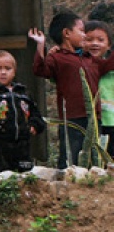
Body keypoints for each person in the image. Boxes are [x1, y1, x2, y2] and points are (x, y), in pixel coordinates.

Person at [30, 9, 114, 168]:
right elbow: (40, 70)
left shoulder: (89, 59)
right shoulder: (57, 58)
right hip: (72, 119)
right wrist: (41, 45)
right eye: (82, 31)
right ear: (67, 33)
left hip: (94, 119)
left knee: (94, 158)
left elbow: (109, 63)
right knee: (71, 157)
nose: (85, 35)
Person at [0, 50, 45, 173]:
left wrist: (34, 125)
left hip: (22, 143)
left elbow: (36, 114)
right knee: (1, 175)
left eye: (8, 68)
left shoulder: (23, 93)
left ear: (14, 72)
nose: (3, 72)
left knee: (24, 174)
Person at [83, 19, 113, 156]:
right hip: (87, 123)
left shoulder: (111, 71)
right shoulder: (78, 67)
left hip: (111, 123)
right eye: (89, 39)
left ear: (109, 45)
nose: (95, 43)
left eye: (100, 40)